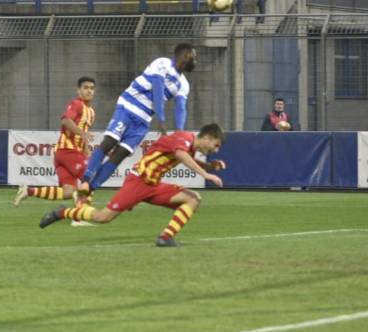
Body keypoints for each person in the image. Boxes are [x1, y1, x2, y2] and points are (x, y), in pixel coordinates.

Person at [39, 123, 226, 246]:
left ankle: (165, 238)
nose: (214, 149)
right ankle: (63, 212)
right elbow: (180, 155)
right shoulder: (183, 138)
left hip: (153, 186)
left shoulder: (189, 146)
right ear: (207, 138)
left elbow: (186, 155)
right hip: (139, 181)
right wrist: (206, 174)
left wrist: (209, 164)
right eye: (215, 145)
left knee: (193, 199)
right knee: (103, 217)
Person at [77, 43, 196, 195]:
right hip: (128, 106)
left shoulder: (184, 84)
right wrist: (161, 118)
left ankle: (88, 191)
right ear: (184, 55)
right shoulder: (163, 63)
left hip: (143, 120)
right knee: (109, 143)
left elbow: (181, 108)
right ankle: (85, 180)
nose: (195, 60)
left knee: (120, 155)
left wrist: (179, 132)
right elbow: (158, 88)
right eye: (193, 56)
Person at [14, 76, 96, 207]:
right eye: (85, 88)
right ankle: (80, 217)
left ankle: (29, 191)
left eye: (92, 88)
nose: (89, 91)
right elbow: (65, 120)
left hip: (62, 154)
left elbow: (83, 136)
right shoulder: (77, 104)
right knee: (90, 178)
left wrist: (87, 153)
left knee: (68, 191)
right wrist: (82, 133)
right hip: (68, 151)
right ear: (78, 90)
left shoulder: (91, 112)